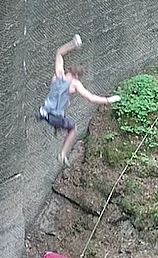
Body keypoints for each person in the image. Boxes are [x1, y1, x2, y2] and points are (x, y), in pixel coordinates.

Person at [36, 35, 120, 166]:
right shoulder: (75, 84)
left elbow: (59, 53)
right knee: (73, 129)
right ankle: (62, 154)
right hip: (55, 116)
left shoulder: (58, 74)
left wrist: (73, 44)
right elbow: (91, 98)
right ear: (76, 76)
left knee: (65, 104)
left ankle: (56, 124)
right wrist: (109, 100)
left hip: (43, 112)